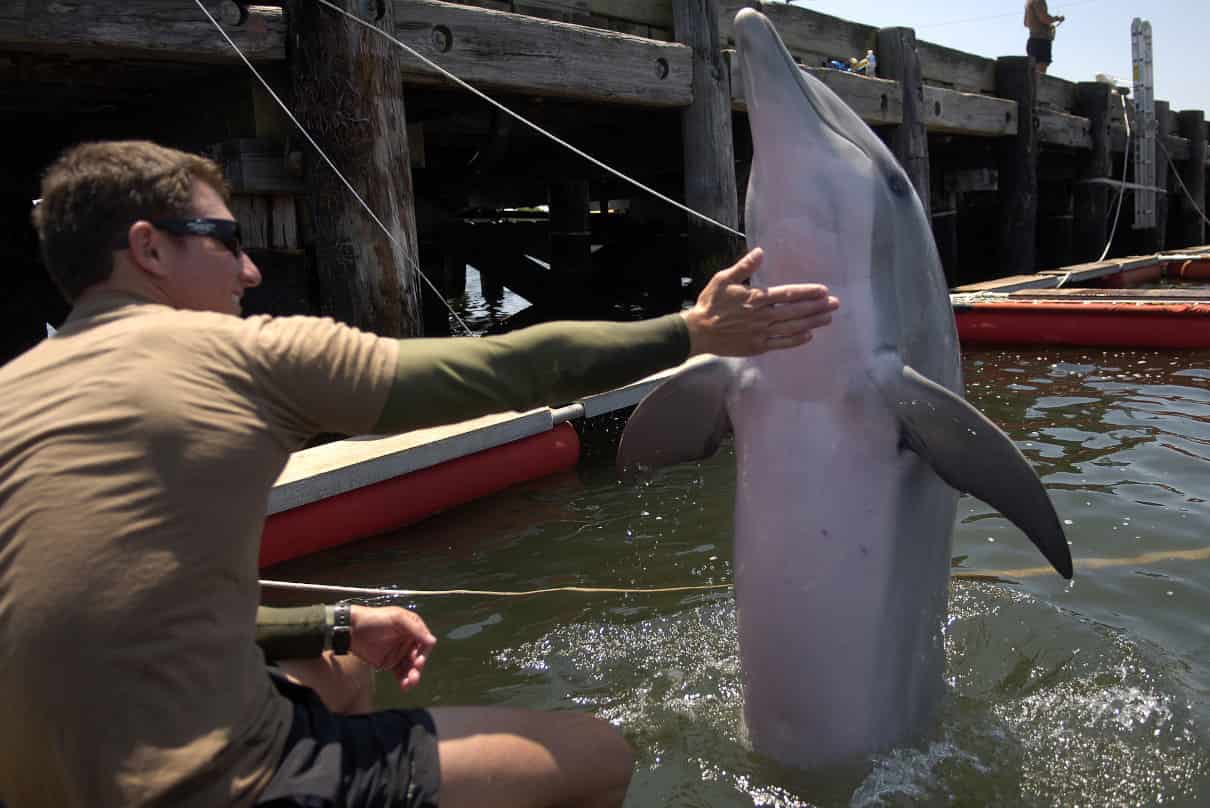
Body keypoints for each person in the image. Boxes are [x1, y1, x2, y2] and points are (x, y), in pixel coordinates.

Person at [0, 140, 839, 808]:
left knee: (343, 662)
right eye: (228, 241)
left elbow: (101, 610)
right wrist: (693, 330)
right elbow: (516, 369)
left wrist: (324, 625)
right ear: (147, 249)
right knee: (595, 755)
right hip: (203, 783)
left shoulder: (15, 387)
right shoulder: (239, 357)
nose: (251, 271)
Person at [1024, 0, 1065, 75]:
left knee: (1032, 72)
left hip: (1033, 40)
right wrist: (1057, 19)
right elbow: (1044, 18)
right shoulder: (1039, 1)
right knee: (1040, 73)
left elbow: (1026, 23)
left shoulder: (1028, 2)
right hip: (1041, 41)